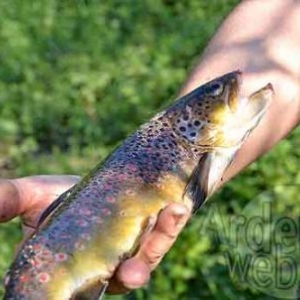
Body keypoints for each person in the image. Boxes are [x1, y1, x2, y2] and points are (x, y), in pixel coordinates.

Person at [1, 0, 300, 294]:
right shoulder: (187, 141)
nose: (236, 83)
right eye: (218, 93)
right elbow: (285, 29)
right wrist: (84, 205)